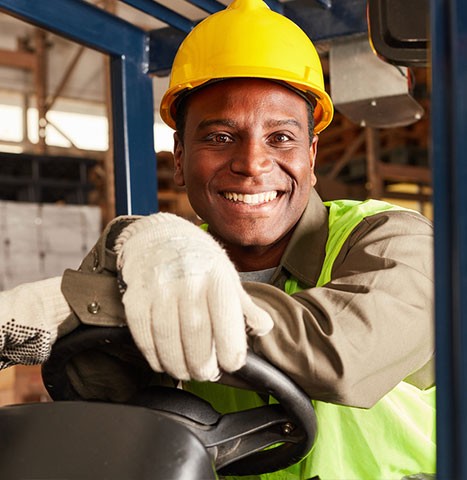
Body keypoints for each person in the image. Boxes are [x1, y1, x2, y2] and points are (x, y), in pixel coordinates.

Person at [0, 0, 435, 478]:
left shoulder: (393, 240)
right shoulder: (150, 259)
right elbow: (103, 402)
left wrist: (105, 303)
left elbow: (343, 353)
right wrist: (119, 257)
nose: (252, 163)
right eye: (221, 137)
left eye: (281, 139)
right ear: (180, 158)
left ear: (312, 157)